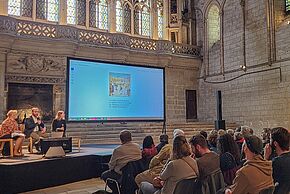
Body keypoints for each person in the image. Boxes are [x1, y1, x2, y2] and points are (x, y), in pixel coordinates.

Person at [264, 127, 290, 194]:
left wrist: (265, 158)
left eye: (270, 139)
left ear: (275, 143)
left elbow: (265, 179)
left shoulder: (276, 162)